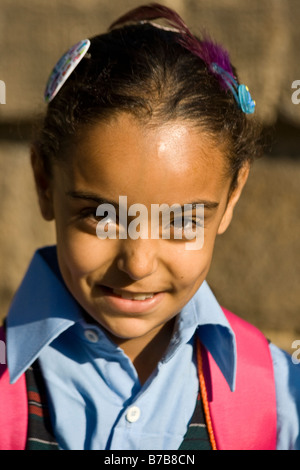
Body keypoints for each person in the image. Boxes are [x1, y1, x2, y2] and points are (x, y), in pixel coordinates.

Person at [1, 3, 300, 451]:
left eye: (182, 221)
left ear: (232, 196)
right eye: (103, 216)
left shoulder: (280, 401)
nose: (138, 263)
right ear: (44, 182)